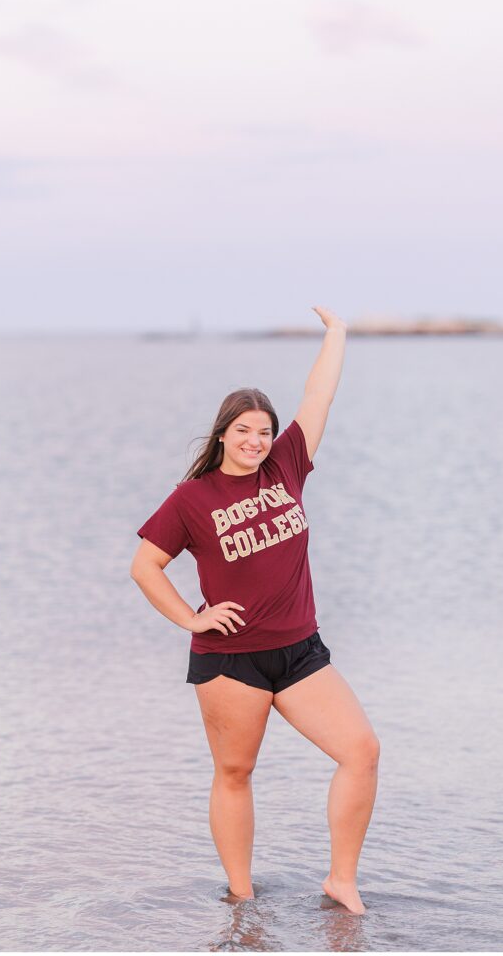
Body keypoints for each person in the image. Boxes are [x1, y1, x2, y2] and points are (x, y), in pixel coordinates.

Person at [130, 306, 380, 916]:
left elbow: (318, 396)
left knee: (361, 751)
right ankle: (241, 896)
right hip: (229, 661)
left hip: (301, 651)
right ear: (222, 434)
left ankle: (341, 880)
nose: (255, 441)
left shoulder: (286, 465)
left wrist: (338, 334)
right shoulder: (193, 498)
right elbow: (145, 567)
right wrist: (192, 618)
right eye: (243, 430)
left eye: (263, 431)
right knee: (236, 773)